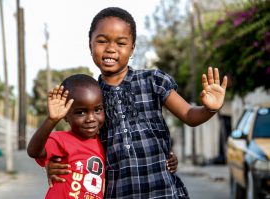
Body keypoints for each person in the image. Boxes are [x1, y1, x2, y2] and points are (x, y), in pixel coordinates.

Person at [47, 7, 227, 198]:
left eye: (121, 43)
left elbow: (190, 116)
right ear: (90, 45)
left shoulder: (153, 80)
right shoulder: (90, 97)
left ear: (132, 48)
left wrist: (209, 109)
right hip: (118, 193)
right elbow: (77, 144)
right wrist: (57, 165)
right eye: (102, 41)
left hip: (164, 191)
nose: (110, 48)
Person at [27, 74, 106, 199]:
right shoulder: (61, 140)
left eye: (97, 110)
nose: (91, 118)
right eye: (81, 112)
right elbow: (33, 151)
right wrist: (51, 120)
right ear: (65, 115)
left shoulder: (105, 143)